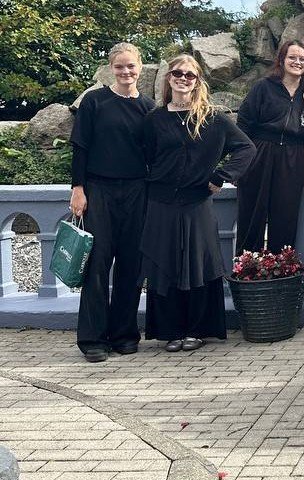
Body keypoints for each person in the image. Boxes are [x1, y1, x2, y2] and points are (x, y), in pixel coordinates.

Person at [140, 54, 256, 353]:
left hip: (196, 201)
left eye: (189, 75)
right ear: (169, 78)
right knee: (165, 263)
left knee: (198, 263)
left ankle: (197, 329)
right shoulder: (154, 118)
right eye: (177, 73)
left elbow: (246, 148)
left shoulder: (212, 118)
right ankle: (170, 330)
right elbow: (144, 157)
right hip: (161, 201)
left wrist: (222, 175)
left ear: (197, 80)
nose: (182, 78)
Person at [69, 42, 156, 363]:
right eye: (119, 66)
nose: (126, 72)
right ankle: (93, 338)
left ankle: (124, 334)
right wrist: (78, 188)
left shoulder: (148, 108)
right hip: (99, 189)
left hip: (137, 192)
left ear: (140, 67)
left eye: (131, 66)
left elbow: (156, 154)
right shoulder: (95, 101)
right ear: (111, 68)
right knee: (97, 263)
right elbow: (80, 147)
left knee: (131, 265)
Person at [235, 40, 304, 254]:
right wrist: (242, 162)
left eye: (302, 59)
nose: (297, 62)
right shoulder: (263, 87)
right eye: (292, 57)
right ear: (282, 60)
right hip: (260, 151)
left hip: (293, 157)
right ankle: (247, 271)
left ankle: (280, 272)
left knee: (285, 217)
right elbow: (244, 124)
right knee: (252, 213)